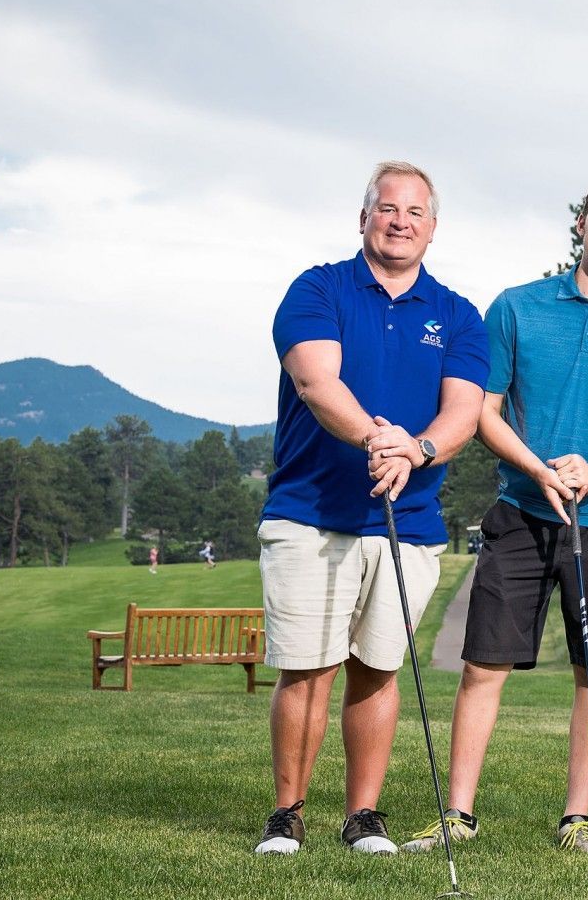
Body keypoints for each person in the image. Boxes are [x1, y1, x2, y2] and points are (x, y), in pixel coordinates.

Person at [402, 176, 588, 857]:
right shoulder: (517, 308)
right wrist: (536, 468)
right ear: (581, 224)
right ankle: (458, 815)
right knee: (483, 665)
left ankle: (576, 819)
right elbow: (482, 411)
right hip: (522, 510)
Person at [253, 161, 489, 856]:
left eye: (415, 212)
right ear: (364, 218)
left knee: (377, 668)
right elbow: (314, 378)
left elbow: (463, 416)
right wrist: (375, 437)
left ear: (432, 228)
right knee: (307, 667)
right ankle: (287, 813)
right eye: (387, 209)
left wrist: (414, 450)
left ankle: (363, 815)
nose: (399, 222)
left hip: (407, 523)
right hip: (310, 513)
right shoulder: (318, 288)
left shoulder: (457, 315)